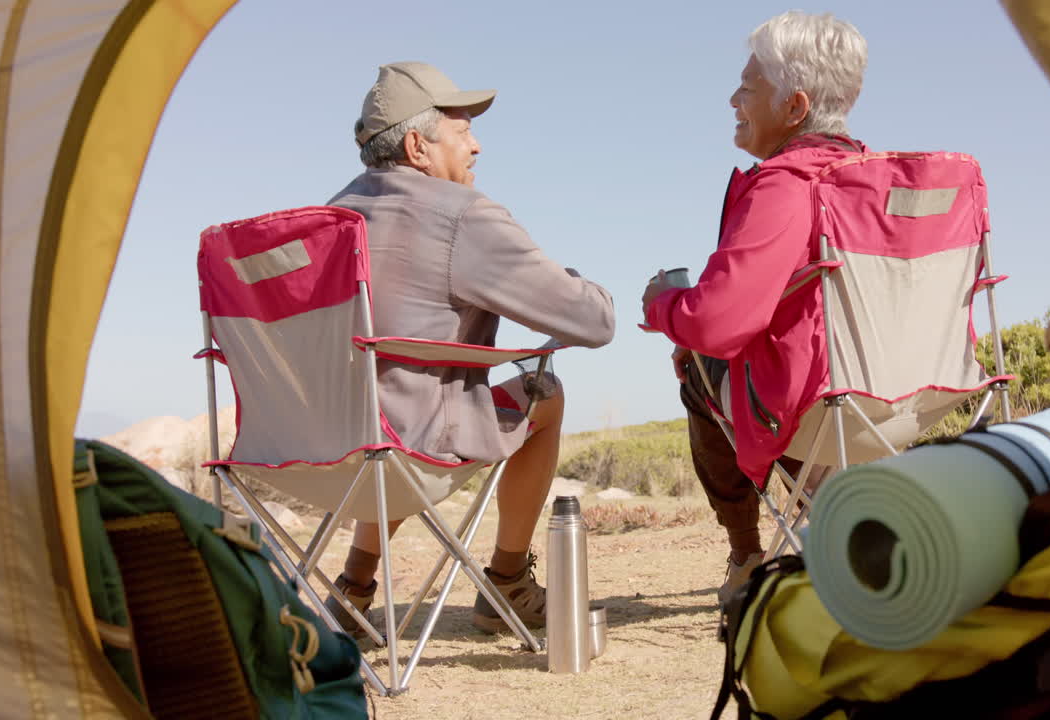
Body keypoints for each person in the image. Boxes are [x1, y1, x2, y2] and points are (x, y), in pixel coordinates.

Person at [327, 62, 615, 634]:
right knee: (544, 395)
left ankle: (355, 587)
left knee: (385, 397)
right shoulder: (461, 216)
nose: (476, 143)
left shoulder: (327, 219)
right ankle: (507, 581)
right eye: (460, 131)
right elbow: (593, 320)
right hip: (411, 448)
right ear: (417, 146)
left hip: (313, 451)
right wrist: (570, 281)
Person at [641, 11, 869, 606]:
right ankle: (838, 509)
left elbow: (715, 322)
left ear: (794, 107)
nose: (734, 98)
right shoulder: (885, 184)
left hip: (817, 409)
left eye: (749, 85)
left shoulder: (787, 184)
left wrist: (664, 305)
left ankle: (746, 551)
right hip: (907, 400)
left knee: (695, 357)